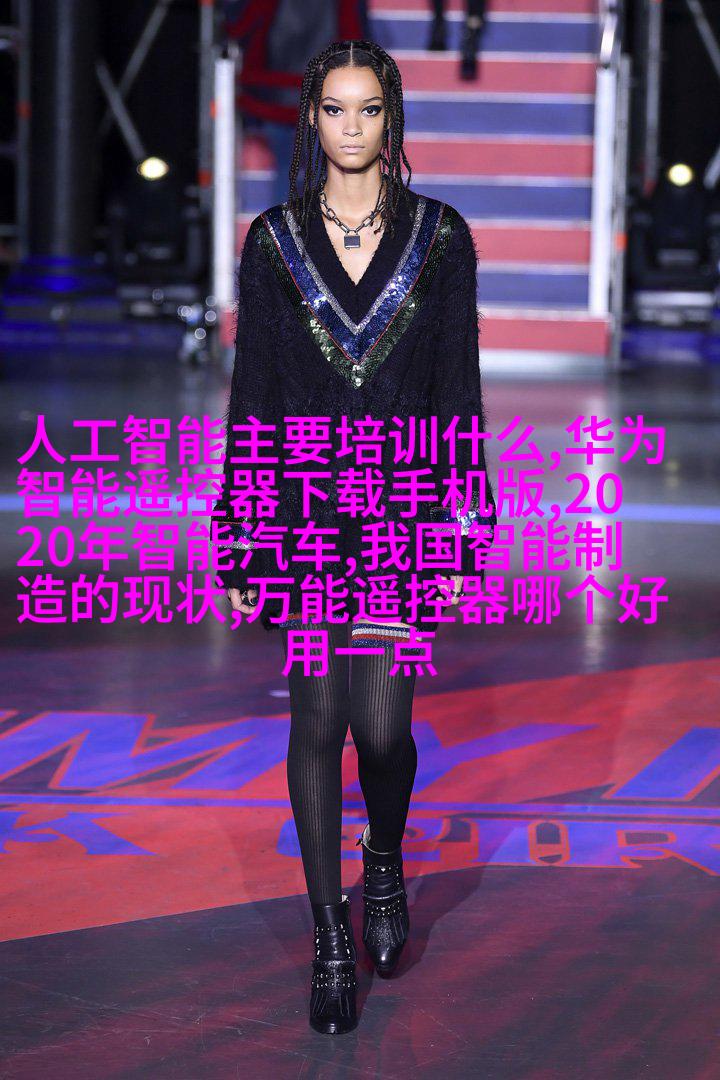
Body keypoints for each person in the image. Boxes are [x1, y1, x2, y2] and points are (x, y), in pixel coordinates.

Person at [210, 39, 497, 1035]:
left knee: (382, 731)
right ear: (311, 119)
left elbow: (458, 391)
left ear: (391, 117)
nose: (351, 126)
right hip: (300, 511)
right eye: (334, 108)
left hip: (402, 511)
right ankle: (331, 939)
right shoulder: (275, 241)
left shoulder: (441, 238)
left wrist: (464, 528)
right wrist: (239, 534)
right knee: (318, 724)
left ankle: (384, 858)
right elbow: (253, 395)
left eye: (368, 108)